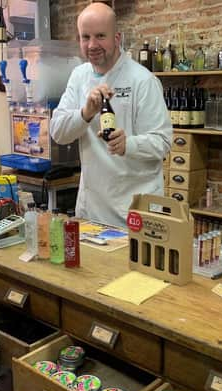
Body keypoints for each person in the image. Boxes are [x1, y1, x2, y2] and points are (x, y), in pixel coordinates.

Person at [49, 2, 172, 227]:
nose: (92, 45)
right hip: (91, 212)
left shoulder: (142, 80)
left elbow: (163, 142)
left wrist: (129, 144)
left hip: (134, 213)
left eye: (100, 36)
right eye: (85, 37)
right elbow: (58, 132)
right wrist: (85, 113)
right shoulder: (79, 76)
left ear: (117, 38)